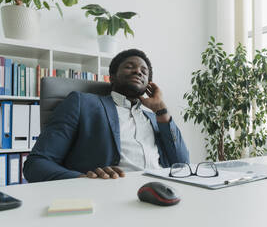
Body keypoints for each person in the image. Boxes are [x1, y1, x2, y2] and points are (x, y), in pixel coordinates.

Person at [24, 49, 190, 182]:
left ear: (149, 84)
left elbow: (182, 164)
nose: (138, 71)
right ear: (112, 77)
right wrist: (83, 180)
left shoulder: (155, 118)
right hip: (110, 195)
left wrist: (161, 109)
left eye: (144, 71)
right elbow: (36, 164)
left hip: (159, 189)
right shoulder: (83, 103)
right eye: (130, 66)